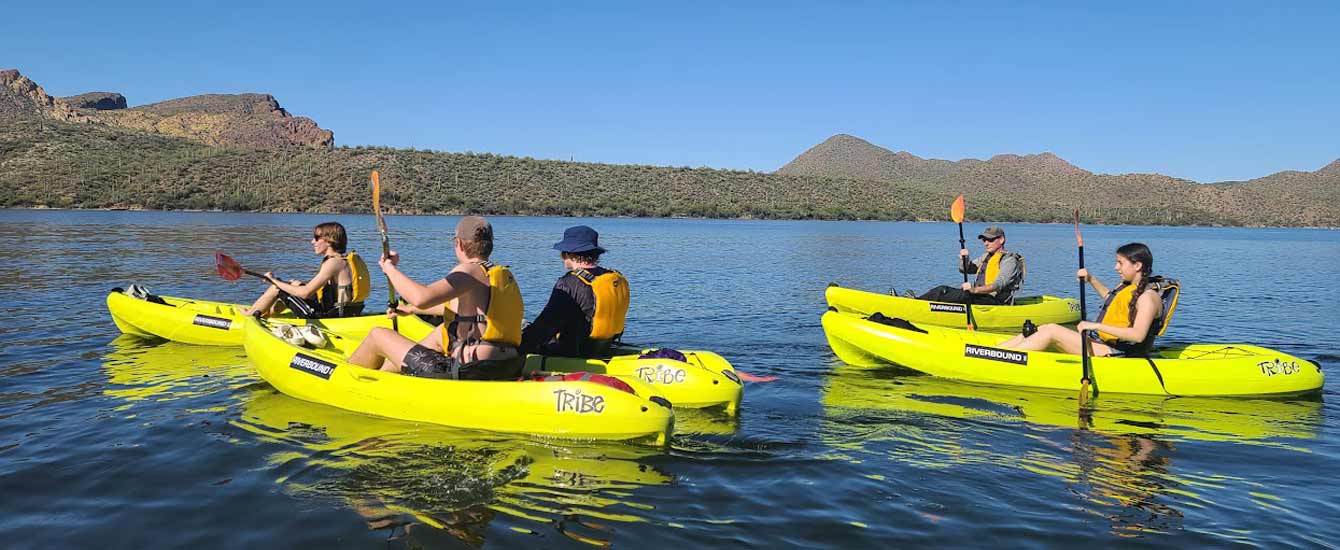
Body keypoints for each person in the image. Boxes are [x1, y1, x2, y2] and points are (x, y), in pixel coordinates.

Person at [347, 216, 524, 380]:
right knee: (441, 331)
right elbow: (461, 310)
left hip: (473, 369)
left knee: (378, 335)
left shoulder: (468, 271)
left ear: (459, 244)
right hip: (505, 364)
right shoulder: (494, 273)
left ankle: (349, 382)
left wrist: (390, 269)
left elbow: (421, 298)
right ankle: (387, 376)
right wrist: (411, 310)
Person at [1000, 243, 1163, 357]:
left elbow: (1138, 335)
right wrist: (1091, 279)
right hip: (1105, 345)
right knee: (1043, 328)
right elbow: (1112, 300)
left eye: (1120, 263)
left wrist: (1095, 325)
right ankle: (995, 352)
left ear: (1137, 266)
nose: (1116, 267)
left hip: (1119, 353)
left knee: (1051, 331)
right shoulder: (1129, 288)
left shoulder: (1148, 298)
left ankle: (1004, 360)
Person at [520, 225, 630, 358]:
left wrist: (519, 346)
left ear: (568, 253)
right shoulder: (615, 278)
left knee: (523, 327)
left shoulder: (569, 283)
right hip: (604, 348)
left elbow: (545, 326)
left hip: (572, 353)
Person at [239, 222, 369, 318]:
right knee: (292, 284)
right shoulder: (342, 260)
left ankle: (249, 316)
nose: (313, 242)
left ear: (329, 241)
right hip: (344, 311)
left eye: (317, 238)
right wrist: (291, 284)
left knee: (277, 288)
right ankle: (269, 314)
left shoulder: (333, 263)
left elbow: (305, 293)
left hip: (330, 317)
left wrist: (274, 281)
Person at [909, 225, 1024, 305]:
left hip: (994, 301)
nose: (986, 243)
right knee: (943, 290)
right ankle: (917, 302)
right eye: (984, 240)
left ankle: (916, 303)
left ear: (1001, 240)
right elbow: (965, 270)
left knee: (944, 291)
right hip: (980, 297)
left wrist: (974, 290)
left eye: (990, 240)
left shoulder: (1009, 260)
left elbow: (998, 285)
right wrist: (965, 259)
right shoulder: (986, 257)